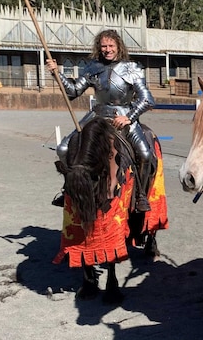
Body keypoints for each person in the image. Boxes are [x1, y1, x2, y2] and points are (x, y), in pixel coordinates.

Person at [48, 29, 157, 213]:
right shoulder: (93, 68)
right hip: (96, 116)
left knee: (145, 155)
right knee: (64, 148)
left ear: (118, 46)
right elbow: (73, 91)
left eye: (111, 46)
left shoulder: (132, 68)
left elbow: (147, 99)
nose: (107, 49)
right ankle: (69, 188)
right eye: (104, 46)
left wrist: (128, 118)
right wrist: (57, 74)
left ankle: (140, 196)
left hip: (123, 116)